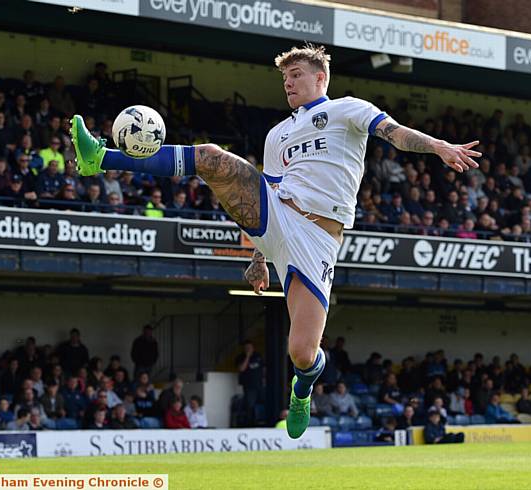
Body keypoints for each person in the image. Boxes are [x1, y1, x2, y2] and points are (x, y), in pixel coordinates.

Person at [70, 45, 480, 438]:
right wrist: (258, 255)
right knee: (213, 157)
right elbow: (258, 191)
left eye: (296, 75)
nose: (288, 83)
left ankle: (302, 390)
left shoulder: (347, 109)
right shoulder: (277, 134)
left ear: (321, 78)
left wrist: (437, 147)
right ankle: (102, 157)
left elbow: (394, 134)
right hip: (278, 213)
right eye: (285, 77)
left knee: (302, 353)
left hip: (318, 238)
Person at [235, 340, 264, 427]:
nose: (248, 349)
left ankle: (261, 421)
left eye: (250, 348)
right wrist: (247, 357)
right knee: (250, 405)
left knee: (262, 403)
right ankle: (250, 423)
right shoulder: (241, 357)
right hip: (249, 386)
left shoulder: (258, 356)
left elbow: (263, 368)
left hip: (259, 384)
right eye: (247, 348)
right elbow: (241, 369)